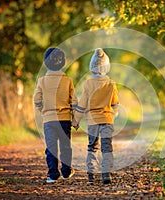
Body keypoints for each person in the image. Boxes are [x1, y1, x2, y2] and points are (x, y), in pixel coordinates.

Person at [72, 48, 119, 184]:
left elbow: (82, 104)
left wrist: (76, 120)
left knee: (92, 146)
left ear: (92, 66)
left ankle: (91, 174)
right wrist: (113, 115)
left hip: (92, 121)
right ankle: (106, 174)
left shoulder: (88, 83)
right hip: (107, 120)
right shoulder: (111, 84)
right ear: (107, 66)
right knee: (107, 147)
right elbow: (115, 104)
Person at [34, 47, 77, 183]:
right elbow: (74, 102)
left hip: (49, 120)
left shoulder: (42, 81)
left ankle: (53, 175)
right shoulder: (68, 81)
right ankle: (66, 172)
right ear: (63, 62)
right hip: (64, 119)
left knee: (51, 147)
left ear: (46, 63)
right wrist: (75, 119)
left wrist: (43, 110)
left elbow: (36, 99)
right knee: (65, 146)